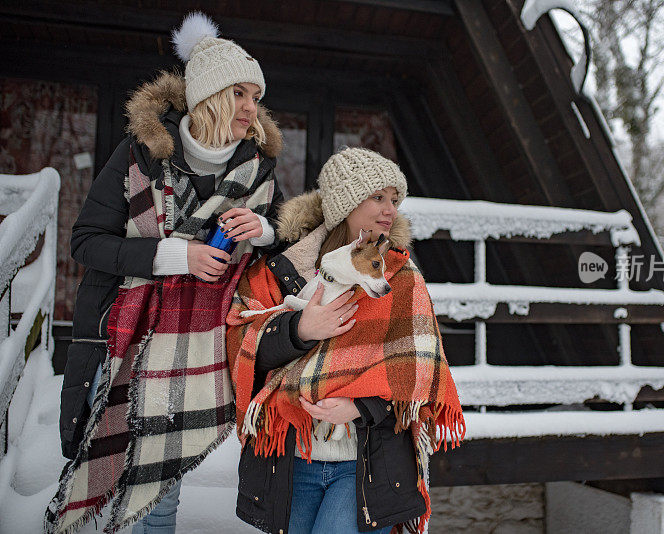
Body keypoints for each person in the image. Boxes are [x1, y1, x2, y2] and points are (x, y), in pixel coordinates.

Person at [46, 12, 284, 534]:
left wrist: (263, 231)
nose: (252, 109)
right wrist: (176, 256)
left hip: (196, 357)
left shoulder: (256, 174)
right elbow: (86, 243)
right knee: (103, 485)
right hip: (120, 344)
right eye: (239, 94)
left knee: (160, 501)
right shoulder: (138, 156)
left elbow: (287, 246)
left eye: (255, 96)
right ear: (209, 97)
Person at [227, 147, 466, 534]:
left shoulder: (400, 280)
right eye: (378, 197)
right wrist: (300, 329)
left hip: (363, 462)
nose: (390, 209)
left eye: (394, 199)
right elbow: (242, 349)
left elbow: (418, 384)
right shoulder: (285, 269)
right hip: (291, 455)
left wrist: (359, 408)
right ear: (345, 202)